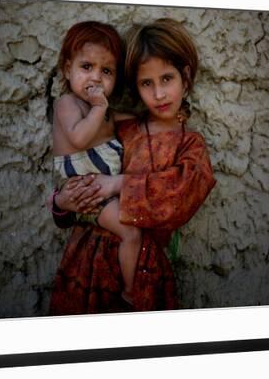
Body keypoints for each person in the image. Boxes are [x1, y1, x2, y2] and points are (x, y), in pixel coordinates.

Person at [49, 18, 217, 315]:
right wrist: (62, 202)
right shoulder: (119, 130)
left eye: (167, 78)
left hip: (141, 269)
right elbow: (75, 190)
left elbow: (179, 197)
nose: (159, 94)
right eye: (146, 83)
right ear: (134, 86)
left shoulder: (189, 145)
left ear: (186, 77)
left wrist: (117, 184)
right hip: (85, 265)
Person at [51, 21, 141, 305]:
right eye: (86, 67)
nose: (96, 78)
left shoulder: (104, 111)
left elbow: (131, 119)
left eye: (107, 71)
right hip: (87, 192)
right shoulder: (68, 103)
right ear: (67, 70)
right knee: (131, 232)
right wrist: (101, 107)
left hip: (100, 192)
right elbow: (78, 137)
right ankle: (130, 290)